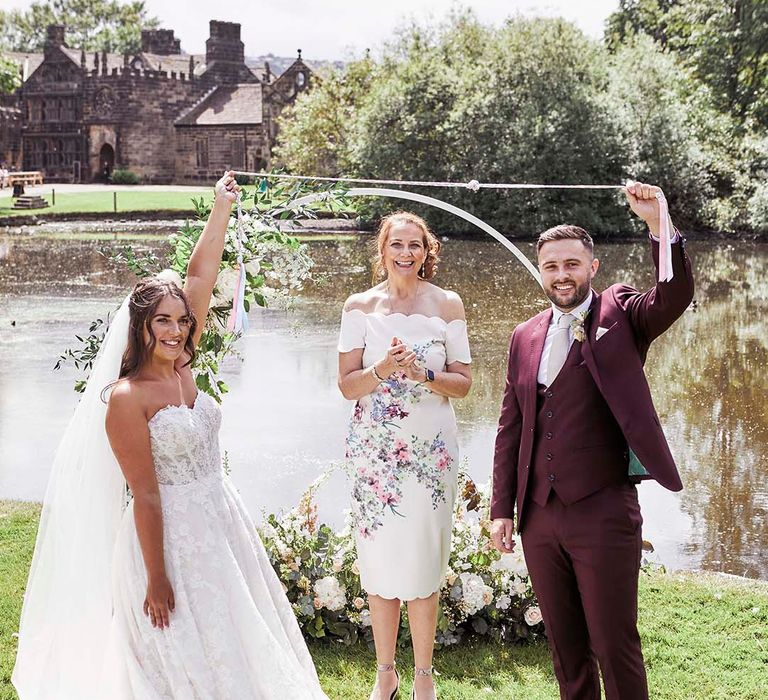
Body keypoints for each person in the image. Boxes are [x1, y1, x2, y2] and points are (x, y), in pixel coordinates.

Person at [13, 172, 328, 700]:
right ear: (140, 326)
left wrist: (221, 207)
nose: (176, 331)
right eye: (163, 322)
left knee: (235, 640)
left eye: (181, 321)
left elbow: (201, 275)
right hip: (167, 539)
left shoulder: (183, 365)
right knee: (179, 652)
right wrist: (157, 578)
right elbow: (147, 495)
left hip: (220, 520)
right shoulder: (126, 399)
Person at [490, 181, 694, 700]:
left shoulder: (620, 313)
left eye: (572, 265)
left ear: (592, 268)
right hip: (538, 515)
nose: (562, 275)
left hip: (603, 509)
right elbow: (510, 426)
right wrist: (501, 509)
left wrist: (658, 225)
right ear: (541, 271)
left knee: (613, 643)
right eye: (552, 266)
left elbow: (674, 295)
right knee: (566, 647)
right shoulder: (524, 335)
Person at [337, 211, 472, 700]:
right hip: (376, 456)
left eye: (415, 245)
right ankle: (385, 673)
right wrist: (382, 368)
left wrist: (422, 375)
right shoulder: (359, 307)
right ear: (383, 249)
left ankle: (423, 676)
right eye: (397, 244)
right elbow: (347, 386)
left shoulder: (448, 304)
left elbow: (464, 383)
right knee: (379, 561)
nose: (406, 254)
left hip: (431, 454)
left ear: (427, 250)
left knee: (423, 559)